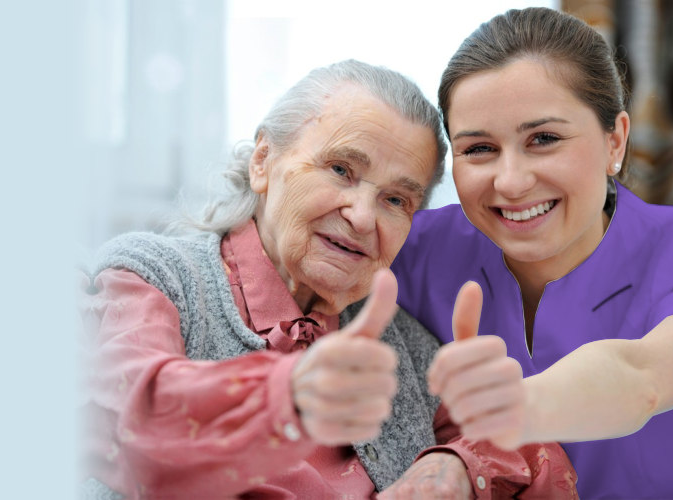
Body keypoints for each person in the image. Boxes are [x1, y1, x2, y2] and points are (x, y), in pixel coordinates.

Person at [82, 59, 575, 499]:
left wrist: (456, 467)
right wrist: (291, 393)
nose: (363, 217)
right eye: (341, 169)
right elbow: (129, 425)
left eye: (396, 200)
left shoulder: (399, 342)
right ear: (263, 161)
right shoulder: (152, 278)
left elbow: (536, 454)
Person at [391, 8, 673, 499]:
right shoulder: (417, 248)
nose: (510, 181)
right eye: (479, 149)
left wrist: (500, 420)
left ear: (615, 140)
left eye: (543, 139)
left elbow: (641, 379)